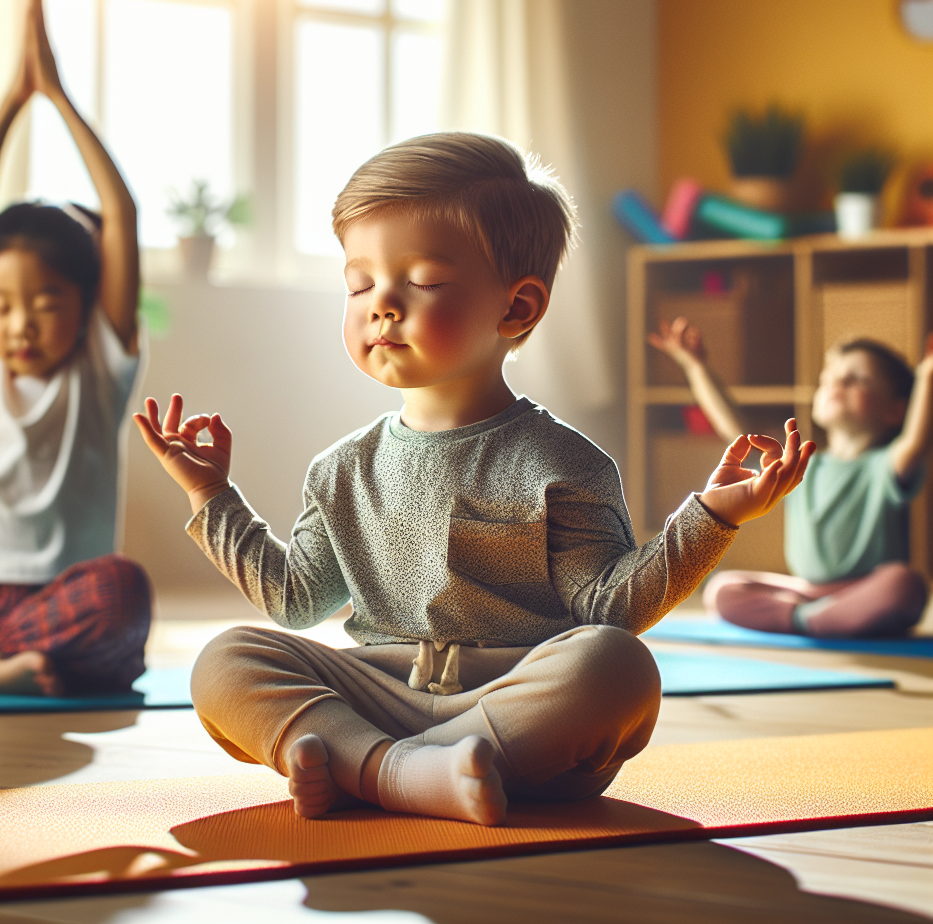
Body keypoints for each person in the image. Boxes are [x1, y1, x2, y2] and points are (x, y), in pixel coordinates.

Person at [136, 134, 811, 827]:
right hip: (380, 691)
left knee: (616, 665)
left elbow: (608, 610)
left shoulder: (564, 464)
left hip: (512, 706)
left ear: (517, 309)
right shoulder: (340, 471)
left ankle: (369, 768)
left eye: (421, 281)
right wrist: (209, 495)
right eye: (358, 283)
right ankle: (402, 771)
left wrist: (712, 517)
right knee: (226, 659)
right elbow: (295, 601)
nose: (381, 305)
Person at [0, 0, 151, 697]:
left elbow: (121, 214)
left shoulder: (99, 368)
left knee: (121, 592)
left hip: (70, 598)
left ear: (83, 307)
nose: (20, 325)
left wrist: (59, 97)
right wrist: (14, 100)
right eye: (2, 305)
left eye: (46, 305)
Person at [649, 316, 931, 637]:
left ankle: (808, 620)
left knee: (906, 585)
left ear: (895, 411)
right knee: (722, 588)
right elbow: (738, 430)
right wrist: (695, 366)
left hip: (864, 589)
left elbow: (915, 443)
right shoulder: (801, 463)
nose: (836, 385)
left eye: (855, 380)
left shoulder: (883, 465)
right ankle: (812, 620)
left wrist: (927, 374)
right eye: (830, 379)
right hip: (806, 591)